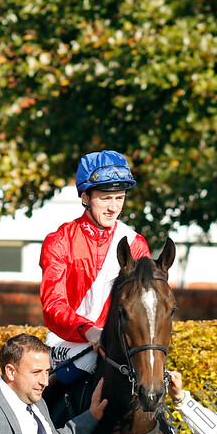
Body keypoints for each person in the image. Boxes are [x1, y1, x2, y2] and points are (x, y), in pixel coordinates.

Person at [39, 149, 150, 384]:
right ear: (86, 197)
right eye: (105, 198)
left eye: (119, 198)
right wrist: (88, 331)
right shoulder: (59, 241)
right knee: (72, 372)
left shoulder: (136, 244)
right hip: (70, 343)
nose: (113, 207)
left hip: (120, 345)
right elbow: (53, 305)